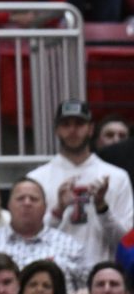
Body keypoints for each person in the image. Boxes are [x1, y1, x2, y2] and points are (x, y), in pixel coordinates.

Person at [27, 99, 134, 269]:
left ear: (91, 129)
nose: (72, 130)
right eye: (66, 124)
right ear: (56, 130)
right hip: (54, 278)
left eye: (79, 123)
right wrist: (58, 210)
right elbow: (28, 237)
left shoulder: (117, 177)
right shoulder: (36, 179)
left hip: (103, 279)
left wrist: (102, 208)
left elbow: (127, 242)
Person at [0, 178, 87, 294]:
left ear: (45, 207)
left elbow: (88, 292)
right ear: (9, 206)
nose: (27, 203)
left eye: (34, 199)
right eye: (20, 198)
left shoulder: (71, 247)